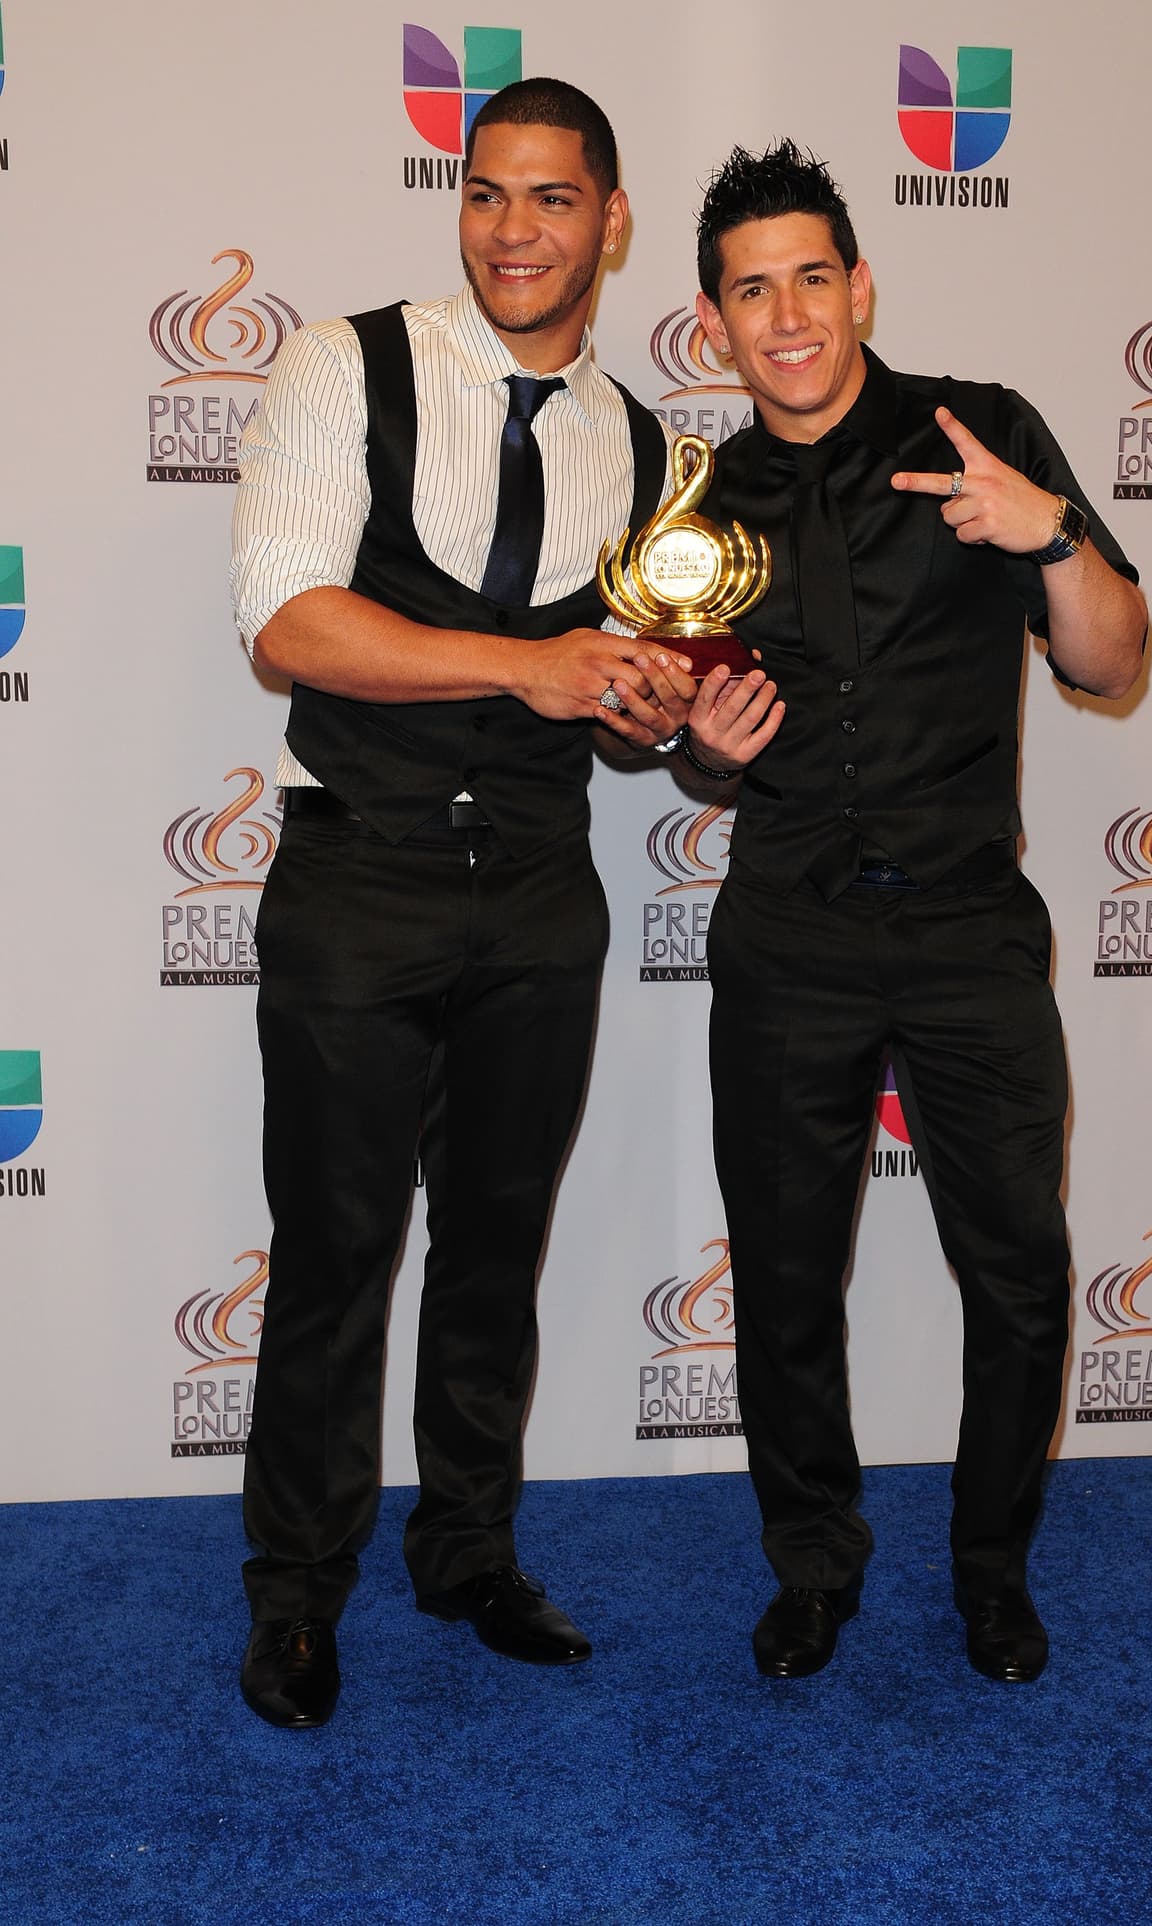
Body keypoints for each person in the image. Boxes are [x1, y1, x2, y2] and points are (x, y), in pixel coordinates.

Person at [229, 78, 694, 1728]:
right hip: (362, 876)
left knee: (495, 1250)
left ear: (610, 220)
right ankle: (295, 1596)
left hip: (544, 901)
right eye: (488, 193)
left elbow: (625, 701)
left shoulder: (646, 446)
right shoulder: (338, 363)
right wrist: (535, 666)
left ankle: (468, 1549)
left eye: (553, 199)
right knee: (338, 1254)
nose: (514, 228)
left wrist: (655, 710)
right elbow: (290, 621)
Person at [678, 140, 1147, 1683]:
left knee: (1018, 1268)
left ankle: (993, 1570)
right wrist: (701, 749)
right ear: (715, 322)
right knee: (789, 1274)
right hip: (787, 937)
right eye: (754, 289)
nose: (789, 313)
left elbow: (1111, 656)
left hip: (966, 930)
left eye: (813, 276)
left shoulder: (981, 434)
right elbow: (680, 729)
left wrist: (1055, 534)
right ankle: (813, 1561)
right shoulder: (703, 501)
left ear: (861, 283)